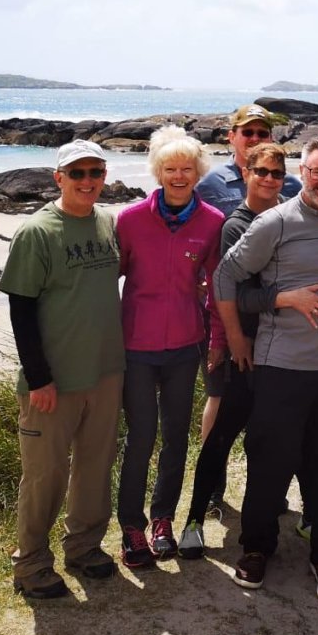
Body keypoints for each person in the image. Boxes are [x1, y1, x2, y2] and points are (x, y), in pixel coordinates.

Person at [212, 137, 318, 606]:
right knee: (270, 463)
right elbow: (226, 279)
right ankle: (257, 548)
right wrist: (276, 303)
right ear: (302, 172)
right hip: (282, 367)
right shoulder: (274, 223)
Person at [179, 142, 318, 557]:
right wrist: (236, 335)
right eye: (260, 172)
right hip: (246, 350)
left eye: (276, 174)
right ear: (244, 173)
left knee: (294, 439)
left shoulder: (292, 216)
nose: (268, 180)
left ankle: (310, 515)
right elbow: (233, 292)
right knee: (222, 437)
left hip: (287, 350)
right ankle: (194, 518)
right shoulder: (236, 225)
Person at [0, 139, 125, 599]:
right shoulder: (37, 232)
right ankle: (31, 566)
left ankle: (85, 548)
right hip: (53, 380)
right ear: (59, 179)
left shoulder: (107, 224)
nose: (88, 181)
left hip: (106, 371)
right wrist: (39, 378)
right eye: (77, 173)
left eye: (95, 172)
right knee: (44, 475)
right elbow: (21, 309)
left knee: (95, 466)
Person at [113, 126, 224, 568]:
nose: (179, 176)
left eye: (187, 169)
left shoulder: (213, 221)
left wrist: (216, 339)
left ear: (198, 172)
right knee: (141, 437)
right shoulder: (130, 219)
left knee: (176, 437)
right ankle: (132, 526)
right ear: (157, 172)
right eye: (170, 169)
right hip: (135, 348)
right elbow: (107, 282)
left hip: (185, 346)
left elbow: (216, 290)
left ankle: (163, 521)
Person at [194, 102, 304, 497]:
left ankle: (266, 492)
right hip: (225, 314)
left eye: (262, 133)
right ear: (232, 137)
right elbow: (201, 246)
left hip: (276, 316)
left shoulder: (289, 187)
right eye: (248, 132)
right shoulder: (208, 184)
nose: (255, 138)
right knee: (219, 399)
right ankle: (211, 491)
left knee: (268, 413)